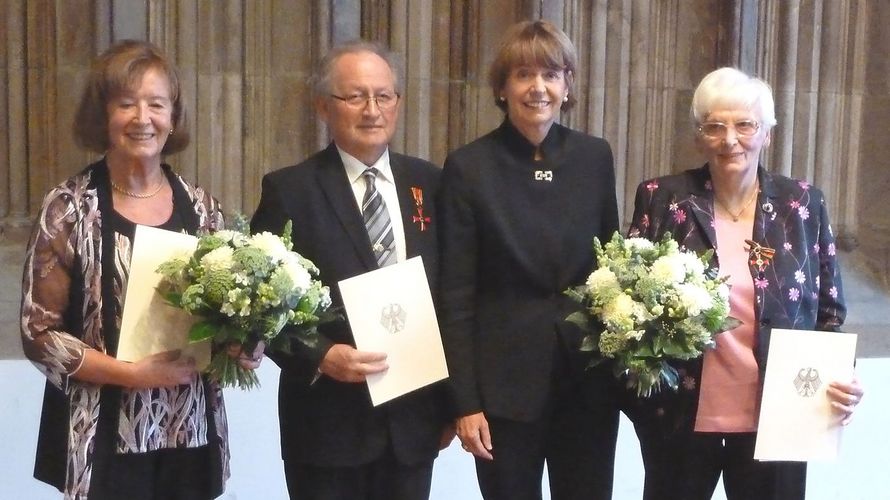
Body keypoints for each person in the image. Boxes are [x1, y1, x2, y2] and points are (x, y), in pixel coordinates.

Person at [19, 40, 260, 499]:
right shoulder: (67, 208)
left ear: (174, 117)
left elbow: (228, 311)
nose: (142, 118)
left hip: (191, 430)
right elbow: (38, 334)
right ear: (102, 115)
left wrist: (245, 343)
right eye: (126, 103)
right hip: (100, 432)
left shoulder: (203, 208)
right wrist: (132, 375)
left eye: (156, 104)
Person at [624, 66, 865, 500]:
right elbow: (629, 304)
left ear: (767, 134)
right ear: (699, 136)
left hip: (782, 418)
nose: (730, 139)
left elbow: (829, 313)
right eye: (714, 126)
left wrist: (842, 379)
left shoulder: (802, 204)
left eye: (744, 124)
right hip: (680, 416)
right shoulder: (663, 198)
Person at [250, 40, 450, 500]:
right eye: (355, 96)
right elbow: (263, 308)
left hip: (413, 423)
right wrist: (320, 355)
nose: (372, 110)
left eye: (384, 96)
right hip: (327, 425)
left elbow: (452, 294)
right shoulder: (290, 190)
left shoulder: (431, 184)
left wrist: (450, 405)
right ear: (324, 106)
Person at [437, 20, 621, 500]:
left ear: (567, 85)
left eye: (552, 74)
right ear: (502, 87)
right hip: (502, 390)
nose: (538, 87)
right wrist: (465, 401)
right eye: (523, 74)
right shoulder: (468, 167)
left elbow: (612, 267)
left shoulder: (594, 157)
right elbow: (455, 295)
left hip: (586, 381)